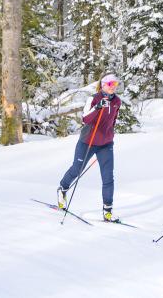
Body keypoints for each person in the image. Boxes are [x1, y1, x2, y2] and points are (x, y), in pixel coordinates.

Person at [56, 73, 122, 222]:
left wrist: (109, 134)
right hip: (88, 142)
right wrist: (98, 108)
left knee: (108, 178)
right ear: (103, 84)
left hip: (105, 144)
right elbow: (85, 119)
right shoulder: (93, 99)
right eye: (111, 84)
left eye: (116, 84)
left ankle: (108, 212)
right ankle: (63, 188)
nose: (114, 87)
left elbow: (113, 120)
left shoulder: (117, 101)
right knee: (77, 169)